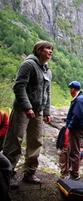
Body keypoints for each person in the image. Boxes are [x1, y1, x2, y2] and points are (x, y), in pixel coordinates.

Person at [3, 40, 53, 189]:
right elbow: (19, 86)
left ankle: (30, 172)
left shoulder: (48, 71)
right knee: (15, 140)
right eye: (48, 49)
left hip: (38, 111)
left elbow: (47, 93)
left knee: (36, 141)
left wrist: (47, 111)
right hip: (22, 110)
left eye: (52, 49)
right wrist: (27, 107)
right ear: (39, 50)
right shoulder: (28, 65)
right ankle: (8, 173)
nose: (51, 52)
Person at [65, 80, 83, 181]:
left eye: (70, 89)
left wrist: (70, 125)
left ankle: (74, 174)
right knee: (73, 150)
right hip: (78, 128)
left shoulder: (79, 100)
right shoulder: (81, 98)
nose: (70, 92)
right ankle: (73, 172)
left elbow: (77, 116)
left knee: (74, 151)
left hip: (76, 129)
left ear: (73, 89)